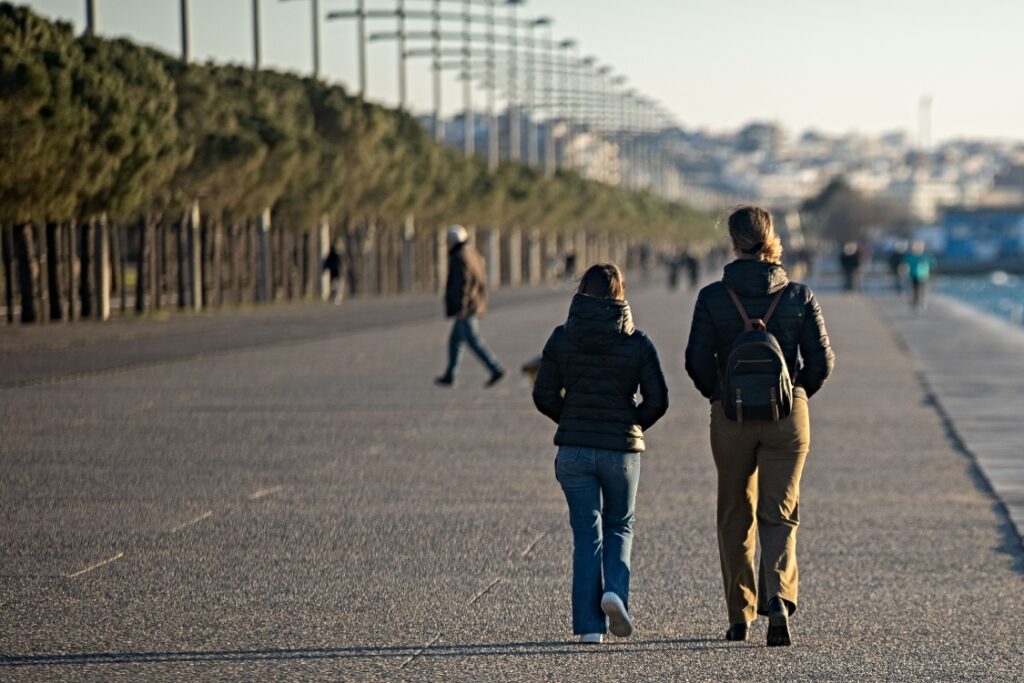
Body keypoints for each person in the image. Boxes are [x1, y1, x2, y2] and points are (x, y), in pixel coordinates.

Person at [685, 206, 834, 647]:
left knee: (734, 512)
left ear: (733, 242)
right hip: (786, 417)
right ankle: (779, 601)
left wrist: (718, 395)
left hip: (731, 416)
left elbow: (696, 361)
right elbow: (822, 361)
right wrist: (797, 394)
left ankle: (739, 615)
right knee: (780, 513)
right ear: (772, 238)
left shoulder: (712, 297)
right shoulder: (799, 295)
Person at [532, 264, 669, 645]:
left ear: (582, 292)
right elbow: (658, 400)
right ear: (621, 293)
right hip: (620, 452)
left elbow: (543, 394)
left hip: (574, 452)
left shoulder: (561, 338)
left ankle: (590, 628)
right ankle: (615, 593)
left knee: (585, 534)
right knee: (619, 524)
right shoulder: (638, 342)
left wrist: (572, 421)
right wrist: (631, 424)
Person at [435, 225, 504, 388]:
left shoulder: (460, 256)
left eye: (448, 241)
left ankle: (495, 368)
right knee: (455, 340)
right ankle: (450, 374)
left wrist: (461, 307)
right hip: (473, 303)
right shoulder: (472, 253)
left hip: (467, 307)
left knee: (472, 339)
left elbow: (463, 284)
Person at [903, 241, 936, 312]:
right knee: (914, 289)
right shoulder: (911, 256)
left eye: (919, 247)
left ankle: (921, 302)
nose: (918, 249)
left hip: (923, 275)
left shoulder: (926, 256)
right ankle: (915, 302)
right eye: (916, 247)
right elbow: (905, 263)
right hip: (913, 275)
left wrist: (927, 264)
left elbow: (933, 263)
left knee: (922, 289)